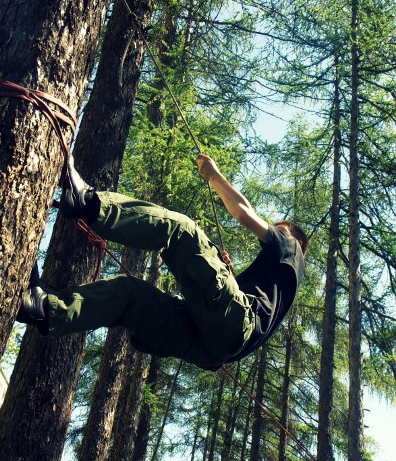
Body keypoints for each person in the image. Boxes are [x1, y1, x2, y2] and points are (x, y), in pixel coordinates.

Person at [18, 153, 307, 370]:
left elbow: (244, 214)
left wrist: (213, 175)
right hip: (212, 349)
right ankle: (43, 308)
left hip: (232, 327)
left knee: (181, 230)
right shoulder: (279, 285)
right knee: (130, 295)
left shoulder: (291, 246)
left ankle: (88, 204)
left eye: (279, 230)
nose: (274, 233)